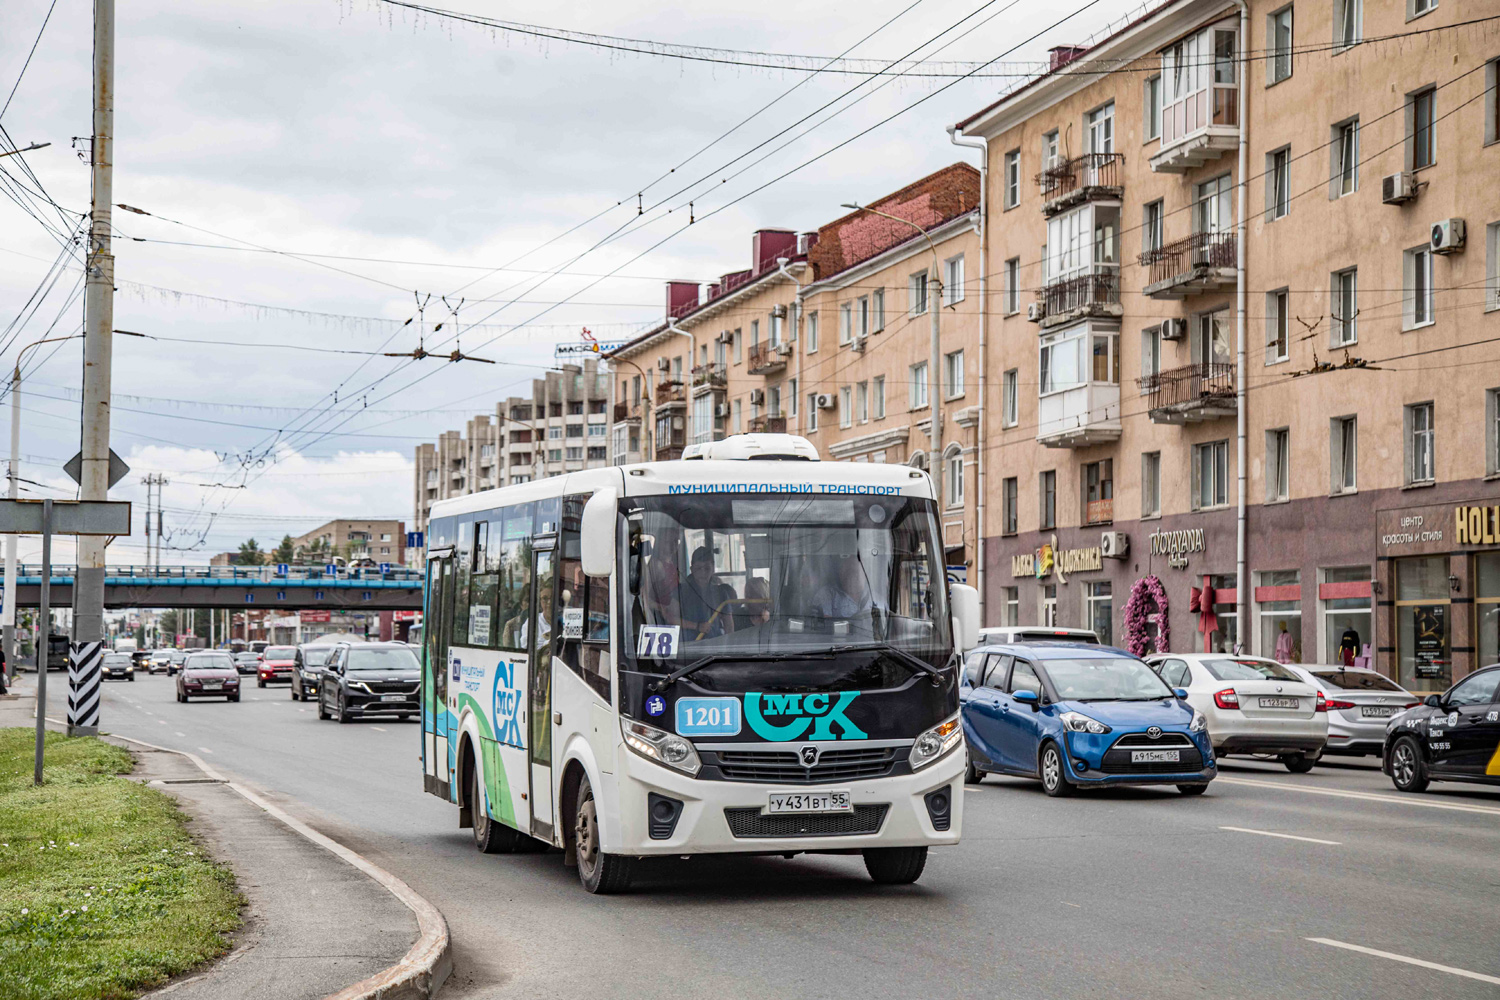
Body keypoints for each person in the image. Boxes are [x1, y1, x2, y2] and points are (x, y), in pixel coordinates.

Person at [679, 546, 734, 639]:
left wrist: (728, 647)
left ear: (713, 569)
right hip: (687, 648)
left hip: (714, 645)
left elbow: (729, 625)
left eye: (707, 568)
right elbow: (672, 619)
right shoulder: (680, 591)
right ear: (691, 569)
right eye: (698, 568)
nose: (703, 573)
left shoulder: (721, 593)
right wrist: (696, 626)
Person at [813, 555, 881, 619]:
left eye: (856, 571)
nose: (852, 576)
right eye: (848, 570)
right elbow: (824, 626)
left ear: (866, 575)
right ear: (840, 572)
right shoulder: (826, 595)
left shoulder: (877, 599)